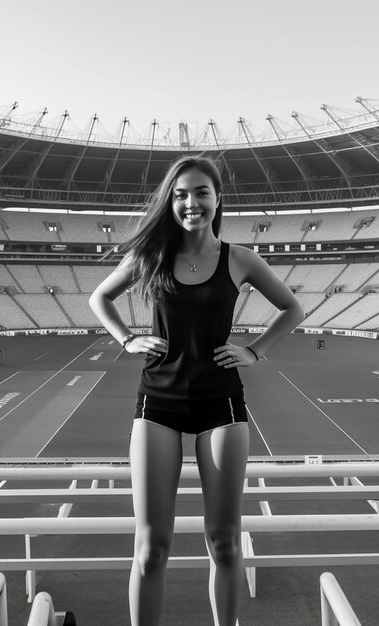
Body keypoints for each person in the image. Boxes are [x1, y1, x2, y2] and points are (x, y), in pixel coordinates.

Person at [89, 155, 304, 625]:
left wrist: (255, 350)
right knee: (151, 548)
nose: (191, 203)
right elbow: (98, 297)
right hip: (157, 404)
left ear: (217, 198)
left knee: (225, 543)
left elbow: (292, 308)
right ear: (170, 201)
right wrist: (126, 338)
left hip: (221, 405)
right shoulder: (150, 256)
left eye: (201, 192)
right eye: (181, 194)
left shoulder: (240, 258)